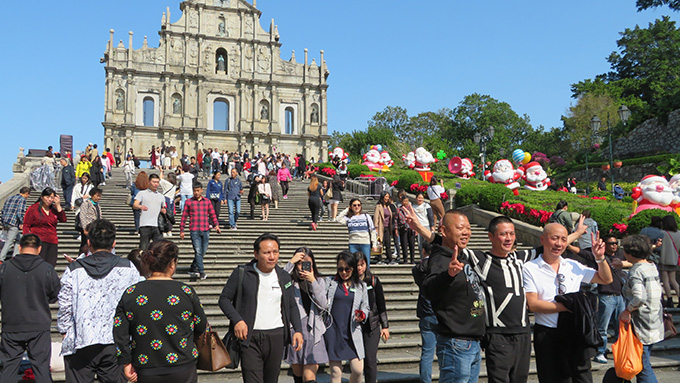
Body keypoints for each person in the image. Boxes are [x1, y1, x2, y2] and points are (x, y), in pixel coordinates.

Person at [523, 223, 613, 383]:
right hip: (549, 335)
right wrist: (573, 306)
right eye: (554, 238)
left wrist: (600, 258)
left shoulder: (572, 265)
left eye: (563, 239)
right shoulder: (530, 268)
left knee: (583, 379)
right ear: (543, 239)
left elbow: (606, 278)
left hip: (575, 333)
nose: (559, 244)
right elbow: (533, 304)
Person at [58, 219, 142, 382]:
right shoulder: (128, 269)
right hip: (115, 341)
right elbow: (136, 305)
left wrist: (64, 330)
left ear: (89, 242)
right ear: (114, 243)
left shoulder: (74, 270)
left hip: (81, 340)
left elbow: (65, 305)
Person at [114, 240, 207, 383]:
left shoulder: (131, 293)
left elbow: (120, 332)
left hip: (146, 366)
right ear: (172, 263)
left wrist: (126, 362)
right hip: (183, 365)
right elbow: (201, 326)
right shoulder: (185, 291)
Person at [218, 233, 304, 383]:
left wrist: (298, 330)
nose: (272, 257)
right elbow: (224, 299)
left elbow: (291, 304)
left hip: (277, 336)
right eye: (267, 253)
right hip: (250, 338)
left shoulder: (283, 276)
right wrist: (237, 320)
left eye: (275, 252)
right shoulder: (242, 273)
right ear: (256, 254)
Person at [421, 210, 485, 383]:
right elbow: (428, 289)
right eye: (460, 228)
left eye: (468, 228)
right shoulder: (440, 259)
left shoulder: (464, 255)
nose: (466, 232)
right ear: (444, 231)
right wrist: (448, 274)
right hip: (456, 344)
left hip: (473, 342)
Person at [0, 234, 61, 383]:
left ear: (20, 247)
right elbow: (55, 295)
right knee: (41, 369)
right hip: (39, 323)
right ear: (39, 249)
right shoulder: (47, 268)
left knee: (8, 368)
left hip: (12, 323)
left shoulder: (5, 268)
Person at [618, 235, 664, 383]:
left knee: (642, 367)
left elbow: (639, 297)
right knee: (644, 361)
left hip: (641, 324)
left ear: (629, 253)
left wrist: (627, 310)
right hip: (654, 320)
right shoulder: (651, 266)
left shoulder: (636, 272)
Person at [284, 248, 329, 383]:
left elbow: (323, 304)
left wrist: (313, 281)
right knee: (297, 374)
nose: (303, 266)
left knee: (309, 377)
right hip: (296, 330)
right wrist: (291, 262)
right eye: (300, 263)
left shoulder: (320, 281)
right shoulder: (289, 281)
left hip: (314, 330)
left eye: (307, 263)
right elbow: (277, 279)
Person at [324, 251, 369, 383]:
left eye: (347, 269)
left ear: (353, 268)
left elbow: (365, 306)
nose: (343, 272)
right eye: (340, 269)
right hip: (333, 331)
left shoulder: (361, 286)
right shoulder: (329, 282)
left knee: (358, 370)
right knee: (336, 372)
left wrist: (363, 314)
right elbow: (320, 298)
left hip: (352, 332)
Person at [357, 253, 389, 383]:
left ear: (366, 264)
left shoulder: (374, 281)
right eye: (357, 265)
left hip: (372, 325)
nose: (359, 268)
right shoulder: (349, 282)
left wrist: (385, 326)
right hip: (355, 327)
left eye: (362, 264)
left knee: (370, 360)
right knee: (358, 363)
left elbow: (381, 305)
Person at [180, 182, 221, 280]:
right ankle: (201, 272)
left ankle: (193, 267)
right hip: (194, 230)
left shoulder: (207, 201)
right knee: (198, 251)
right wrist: (182, 230)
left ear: (201, 190)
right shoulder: (189, 202)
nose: (196, 193)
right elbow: (184, 217)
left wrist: (217, 225)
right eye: (194, 191)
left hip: (205, 229)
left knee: (203, 251)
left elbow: (212, 214)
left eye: (198, 190)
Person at [412, 241, 437, 383]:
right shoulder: (439, 266)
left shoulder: (417, 268)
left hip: (426, 312)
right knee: (444, 350)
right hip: (440, 312)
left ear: (423, 251)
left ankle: (425, 380)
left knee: (427, 352)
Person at [23, 187, 67, 267]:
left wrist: (58, 205)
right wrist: (26, 241)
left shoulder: (53, 209)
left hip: (52, 240)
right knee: (37, 265)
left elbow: (63, 219)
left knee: (50, 265)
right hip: (38, 240)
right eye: (47, 197)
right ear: (42, 197)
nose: (49, 199)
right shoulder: (33, 209)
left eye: (52, 197)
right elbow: (26, 225)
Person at [336, 198, 378, 268]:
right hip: (353, 243)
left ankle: (366, 278)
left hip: (365, 243)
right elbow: (338, 219)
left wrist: (374, 244)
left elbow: (372, 230)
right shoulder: (349, 218)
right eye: (354, 205)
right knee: (353, 264)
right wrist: (347, 209)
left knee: (366, 264)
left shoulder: (366, 216)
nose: (357, 207)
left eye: (358, 205)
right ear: (351, 207)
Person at [134, 173, 167, 250]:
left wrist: (163, 210)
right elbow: (135, 205)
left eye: (157, 182)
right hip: (145, 225)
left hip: (157, 225)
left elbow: (163, 207)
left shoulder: (161, 196)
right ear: (149, 182)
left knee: (159, 248)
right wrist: (140, 206)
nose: (156, 184)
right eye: (154, 182)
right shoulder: (142, 193)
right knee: (144, 248)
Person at [0, 187, 30, 261]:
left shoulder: (10, 198)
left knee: (19, 239)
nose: (28, 197)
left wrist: (3, 222)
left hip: (6, 222)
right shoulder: (22, 200)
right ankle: (1, 258)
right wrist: (22, 222)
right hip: (14, 223)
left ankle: (15, 256)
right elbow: (20, 212)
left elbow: (3, 210)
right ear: (26, 193)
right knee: (9, 241)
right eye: (28, 195)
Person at [659, 215, 680, 307]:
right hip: (674, 259)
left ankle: (670, 299)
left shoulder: (662, 233)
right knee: (673, 280)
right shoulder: (679, 233)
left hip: (664, 259)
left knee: (666, 280)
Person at [374, 191, 398, 265]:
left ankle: (390, 259)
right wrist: (376, 227)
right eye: (386, 196)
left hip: (387, 227)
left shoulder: (388, 206)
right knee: (380, 243)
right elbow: (376, 217)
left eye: (388, 197)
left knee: (388, 243)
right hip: (380, 227)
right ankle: (379, 259)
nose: (387, 198)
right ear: (382, 197)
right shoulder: (379, 206)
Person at [412, 192, 434, 256]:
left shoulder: (426, 205)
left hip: (426, 226)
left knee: (427, 243)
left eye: (421, 198)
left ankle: (428, 257)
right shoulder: (414, 207)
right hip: (418, 227)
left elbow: (430, 216)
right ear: (416, 198)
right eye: (419, 198)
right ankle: (422, 258)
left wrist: (432, 225)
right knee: (420, 244)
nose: (420, 199)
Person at [397, 195, 417, 264]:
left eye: (407, 201)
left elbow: (415, 218)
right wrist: (396, 228)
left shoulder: (411, 209)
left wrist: (416, 228)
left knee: (412, 244)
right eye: (404, 201)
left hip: (411, 228)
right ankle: (405, 259)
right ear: (402, 201)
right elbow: (396, 220)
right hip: (403, 228)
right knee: (404, 244)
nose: (406, 202)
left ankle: (412, 259)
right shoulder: (399, 209)